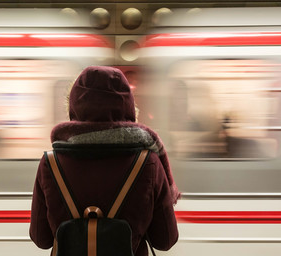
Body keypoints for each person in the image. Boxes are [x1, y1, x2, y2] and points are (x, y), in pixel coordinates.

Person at [29, 66, 179, 256]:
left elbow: (40, 238)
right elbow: (165, 240)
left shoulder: (50, 164)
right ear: (128, 106)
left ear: (74, 106)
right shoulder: (148, 162)